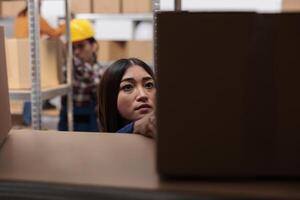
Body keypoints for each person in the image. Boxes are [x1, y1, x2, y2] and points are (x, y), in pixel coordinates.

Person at [15, 1, 66, 126]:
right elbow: (55, 33)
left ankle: (33, 114)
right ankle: (30, 119)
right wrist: (67, 23)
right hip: (31, 58)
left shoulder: (20, 17)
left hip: (19, 58)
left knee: (31, 87)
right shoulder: (36, 18)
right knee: (36, 86)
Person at [58, 19, 104, 132]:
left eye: (81, 46)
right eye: (73, 48)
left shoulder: (100, 71)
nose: (77, 52)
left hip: (89, 124)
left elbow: (92, 79)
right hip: (66, 122)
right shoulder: (66, 69)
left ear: (93, 46)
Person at [98, 58, 156, 138]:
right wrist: (135, 127)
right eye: (128, 87)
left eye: (148, 85)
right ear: (111, 98)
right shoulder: (101, 144)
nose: (143, 95)